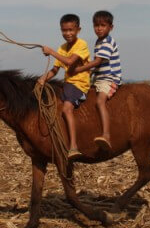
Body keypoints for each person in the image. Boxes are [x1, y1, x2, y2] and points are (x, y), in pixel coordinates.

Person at [38, 13, 91, 161]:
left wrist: (51, 52)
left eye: (70, 30)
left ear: (78, 30)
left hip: (79, 84)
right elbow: (55, 70)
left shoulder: (82, 45)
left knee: (67, 108)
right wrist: (43, 79)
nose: (67, 33)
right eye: (64, 30)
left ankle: (73, 146)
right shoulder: (62, 48)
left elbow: (69, 62)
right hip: (67, 84)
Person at [72, 10, 121, 150]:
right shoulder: (99, 41)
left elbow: (98, 61)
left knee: (100, 101)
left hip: (109, 78)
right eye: (96, 25)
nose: (99, 28)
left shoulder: (107, 42)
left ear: (111, 27)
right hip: (99, 78)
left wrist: (80, 70)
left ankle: (106, 135)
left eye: (102, 25)